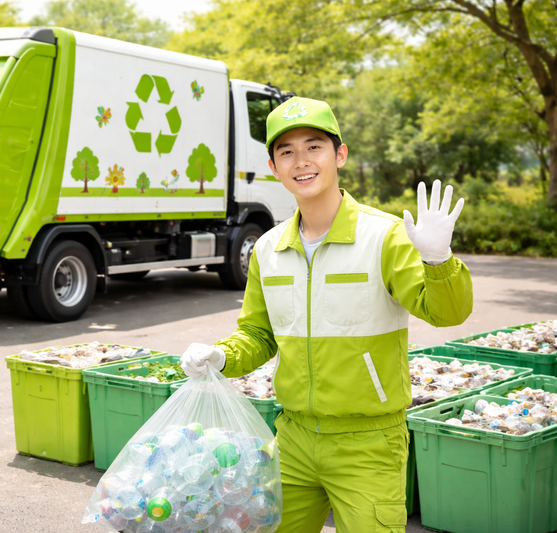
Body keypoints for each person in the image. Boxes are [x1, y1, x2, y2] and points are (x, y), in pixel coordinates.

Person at [180, 97, 473, 532]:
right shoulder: (268, 248)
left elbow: (448, 313)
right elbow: (259, 334)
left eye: (314, 146)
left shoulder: (384, 236)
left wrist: (437, 260)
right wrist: (221, 356)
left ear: (340, 154)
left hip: (367, 443)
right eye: (286, 152)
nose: (301, 161)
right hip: (293, 438)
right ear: (273, 167)